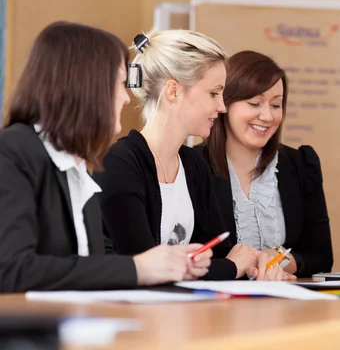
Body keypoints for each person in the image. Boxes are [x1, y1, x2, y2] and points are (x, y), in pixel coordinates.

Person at [0, 21, 211, 292]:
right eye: (119, 84)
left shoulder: (75, 166)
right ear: (86, 85)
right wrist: (139, 268)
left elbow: (92, 264)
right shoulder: (13, 152)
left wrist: (165, 264)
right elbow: (10, 269)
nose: (125, 98)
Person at [93, 30, 283, 281]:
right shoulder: (119, 164)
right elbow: (146, 268)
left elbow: (219, 253)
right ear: (173, 91)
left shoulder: (193, 165)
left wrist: (252, 263)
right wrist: (231, 267)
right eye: (214, 93)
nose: (221, 107)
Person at [196, 50, 333, 278]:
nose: (267, 117)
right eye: (255, 103)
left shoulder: (300, 165)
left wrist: (278, 258)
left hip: (285, 305)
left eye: (276, 105)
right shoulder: (192, 166)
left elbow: (321, 258)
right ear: (224, 104)